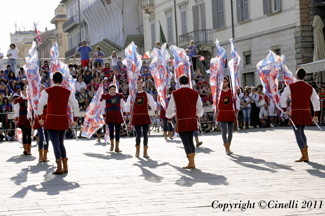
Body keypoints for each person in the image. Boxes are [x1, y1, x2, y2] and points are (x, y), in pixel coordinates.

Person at [38, 71, 80, 175]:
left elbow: (40, 105)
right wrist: (75, 120)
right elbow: (76, 105)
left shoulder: (47, 91)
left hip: (52, 119)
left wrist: (39, 117)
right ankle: (65, 167)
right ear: (62, 80)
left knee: (55, 144)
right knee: (61, 143)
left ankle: (59, 167)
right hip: (62, 119)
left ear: (52, 80)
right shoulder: (68, 92)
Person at [280, 68, 320, 162]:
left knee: (298, 133)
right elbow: (316, 101)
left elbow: (283, 96)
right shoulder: (310, 87)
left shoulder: (291, 86)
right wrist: (316, 115)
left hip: (295, 111)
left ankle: (304, 155)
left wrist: (285, 109)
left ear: (296, 76)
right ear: (305, 76)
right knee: (301, 132)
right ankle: (305, 155)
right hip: (305, 111)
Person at [166, 75, 203, 169]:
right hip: (192, 119)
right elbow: (200, 106)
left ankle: (191, 162)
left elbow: (170, 108)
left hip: (182, 120)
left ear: (179, 82)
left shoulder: (175, 93)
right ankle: (192, 161)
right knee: (190, 140)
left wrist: (169, 117)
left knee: (185, 141)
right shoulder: (195, 93)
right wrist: (198, 115)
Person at [126, 77, 157, 158]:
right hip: (136, 117)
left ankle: (145, 152)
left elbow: (153, 104)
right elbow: (128, 106)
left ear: (143, 84)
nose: (139, 84)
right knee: (138, 134)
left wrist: (156, 112)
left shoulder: (147, 95)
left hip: (145, 116)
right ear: (136, 84)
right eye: (138, 83)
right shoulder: (132, 95)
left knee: (146, 135)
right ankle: (137, 151)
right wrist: (129, 114)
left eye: (141, 83)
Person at [215, 77, 240, 155]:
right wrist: (215, 111)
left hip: (230, 113)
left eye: (225, 82)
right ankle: (226, 148)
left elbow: (237, 101)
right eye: (222, 82)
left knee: (230, 131)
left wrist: (237, 111)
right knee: (224, 130)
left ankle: (228, 146)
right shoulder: (218, 92)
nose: (224, 83)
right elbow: (215, 102)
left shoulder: (232, 92)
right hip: (222, 113)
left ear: (228, 83)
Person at [100, 84, 127, 152]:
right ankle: (112, 145)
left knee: (118, 131)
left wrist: (124, 115)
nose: (113, 91)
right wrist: (104, 116)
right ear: (109, 90)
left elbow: (123, 106)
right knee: (111, 130)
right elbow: (102, 106)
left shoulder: (119, 95)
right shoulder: (105, 96)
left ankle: (117, 147)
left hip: (117, 114)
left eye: (114, 89)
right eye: (111, 89)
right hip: (109, 114)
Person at [32, 85, 50, 163]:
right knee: (41, 137)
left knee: (47, 137)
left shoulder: (48, 98)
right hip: (39, 119)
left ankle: (45, 156)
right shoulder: (36, 99)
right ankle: (40, 155)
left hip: (47, 119)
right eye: (41, 88)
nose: (42, 89)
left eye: (43, 88)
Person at [14, 86, 32, 155]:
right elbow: (17, 111)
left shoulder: (31, 99)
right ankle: (25, 149)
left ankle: (29, 150)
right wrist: (16, 119)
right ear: (23, 91)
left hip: (29, 118)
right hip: (23, 118)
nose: (26, 91)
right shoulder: (19, 100)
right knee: (24, 133)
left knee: (29, 134)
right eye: (25, 89)